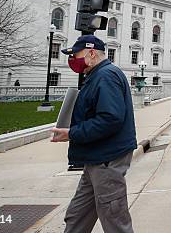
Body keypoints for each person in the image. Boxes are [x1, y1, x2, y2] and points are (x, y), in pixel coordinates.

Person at [51, 35, 137, 233]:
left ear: (91, 53)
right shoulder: (97, 75)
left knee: (114, 218)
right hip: (96, 158)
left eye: (75, 54)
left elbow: (110, 119)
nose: (72, 59)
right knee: (77, 215)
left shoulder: (106, 75)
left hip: (107, 159)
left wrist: (72, 133)